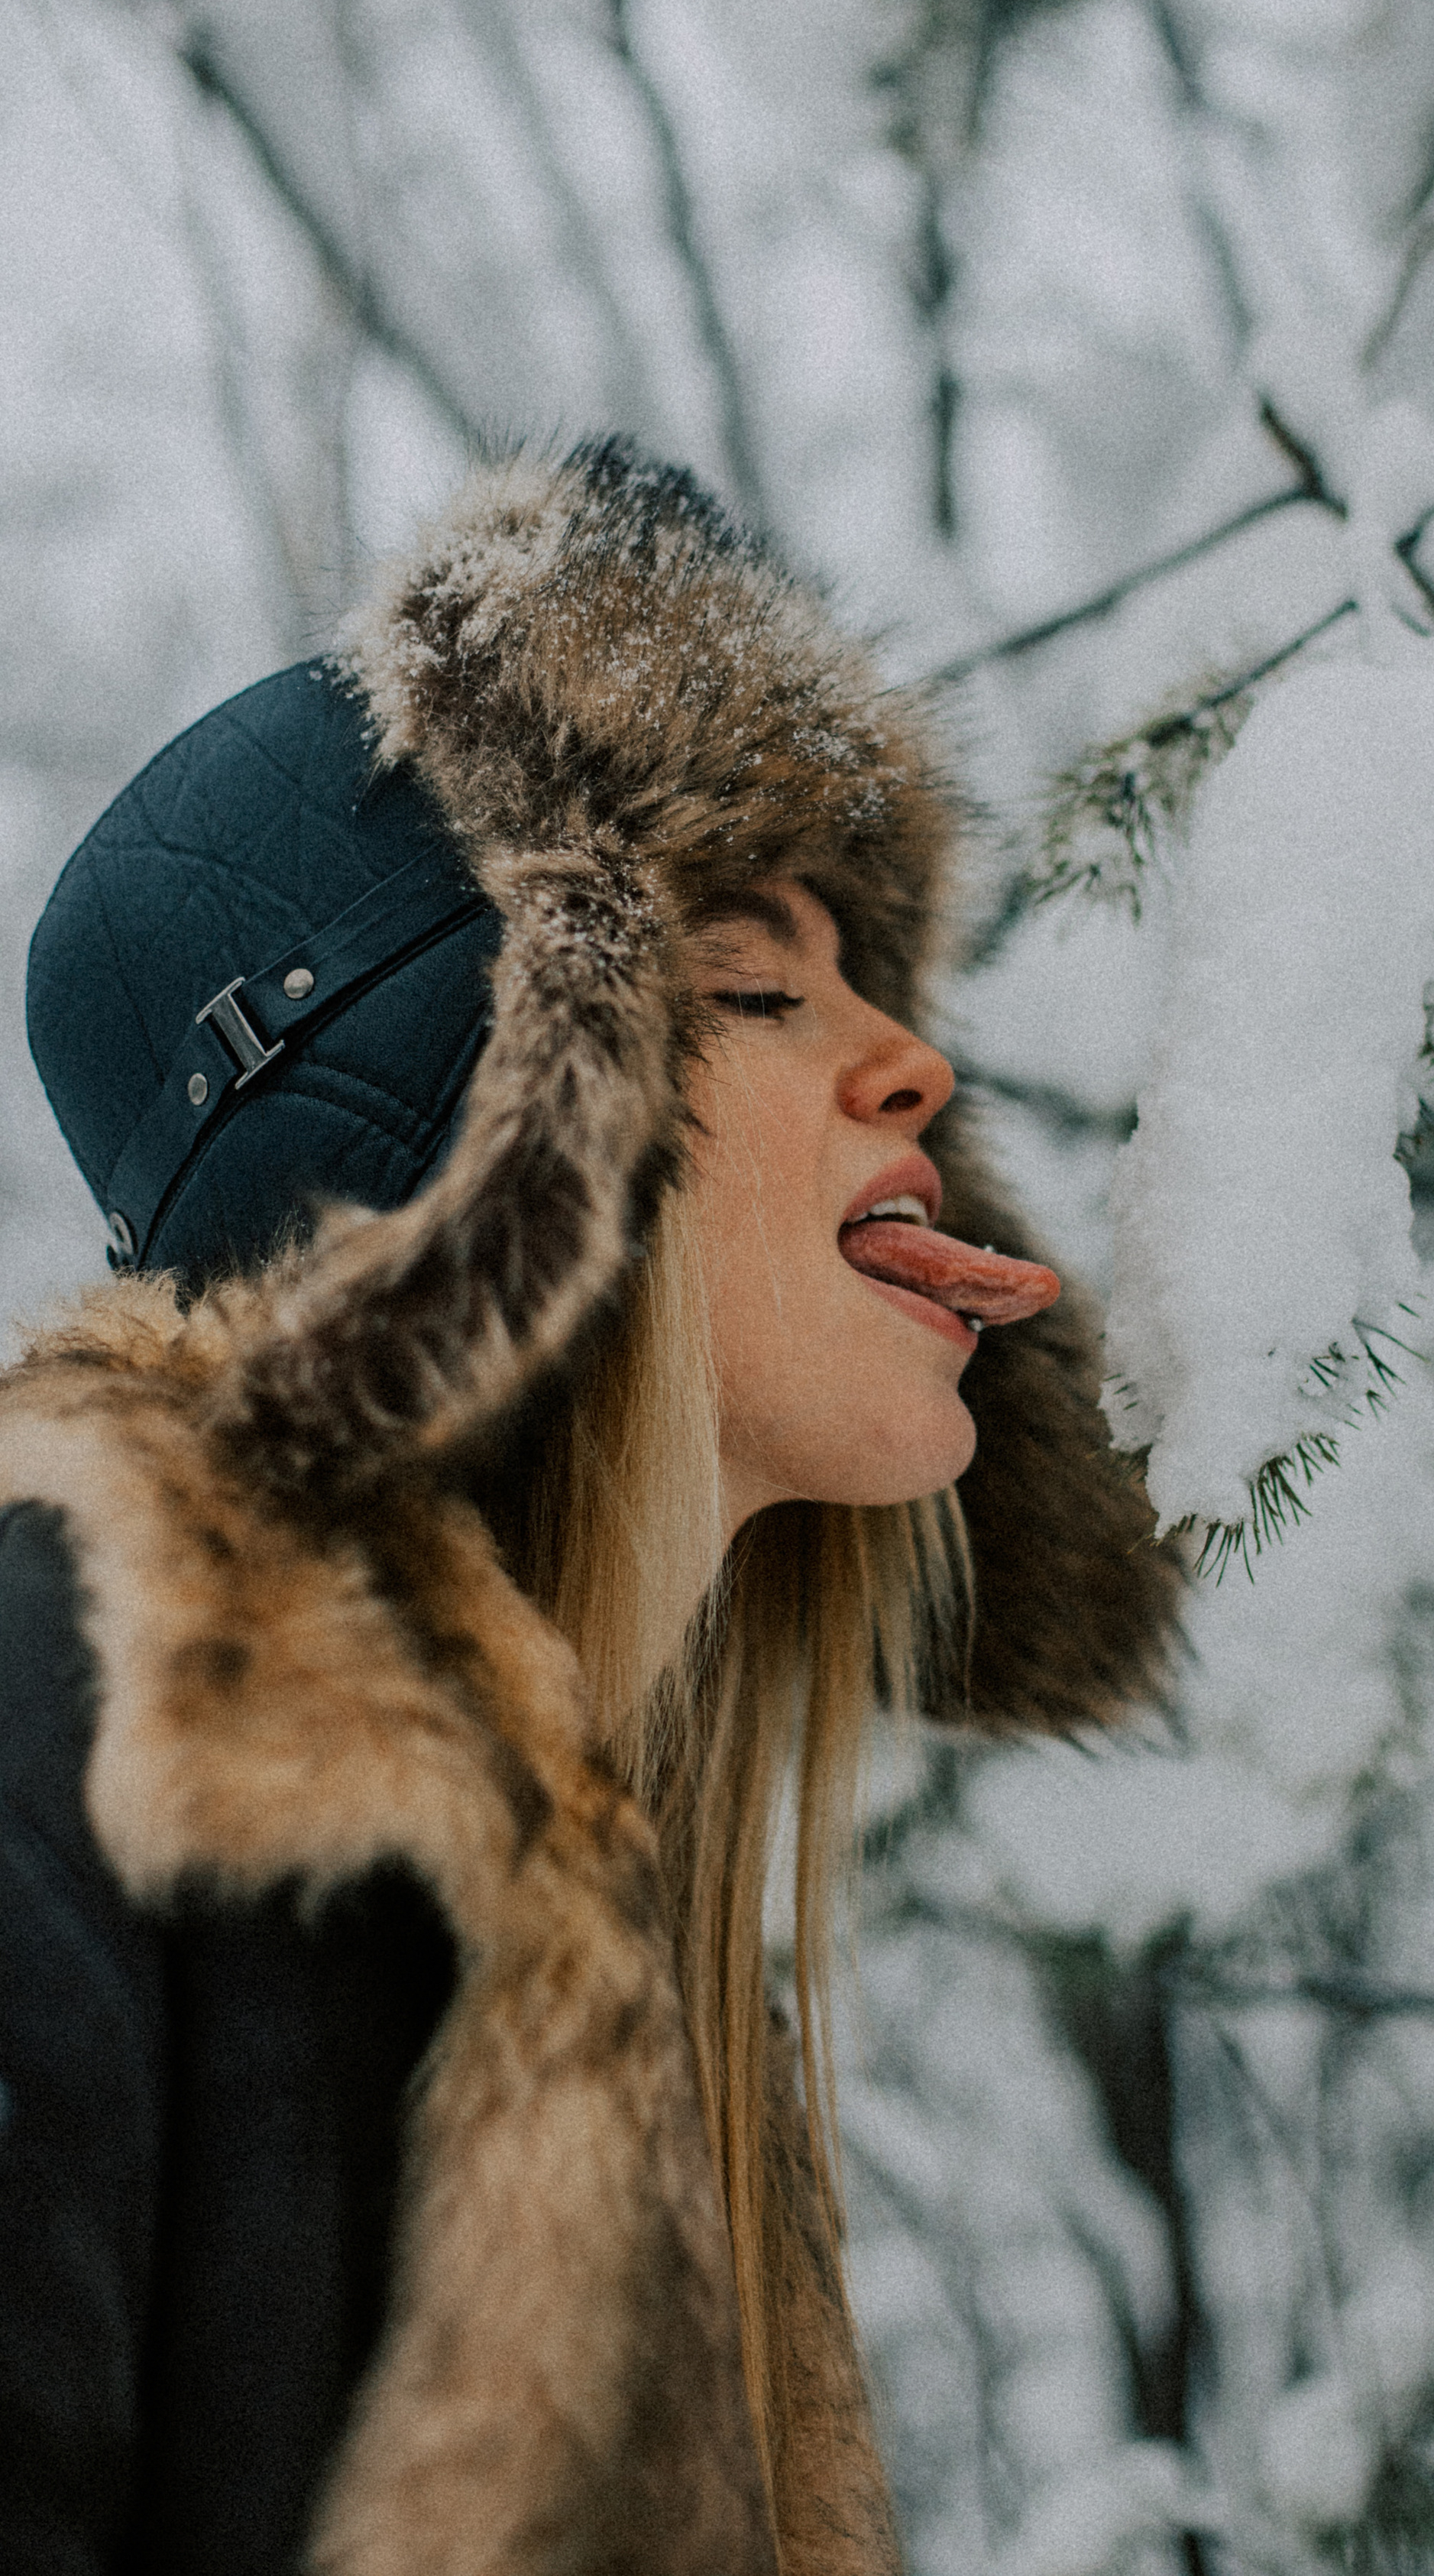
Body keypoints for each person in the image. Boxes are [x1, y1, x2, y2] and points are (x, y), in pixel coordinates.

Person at [0, 442, 1182, 2576]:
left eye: (868, 977)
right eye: (753, 986)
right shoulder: (75, 1692)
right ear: (495, 1162)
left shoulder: (671, 1984)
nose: (911, 1059)